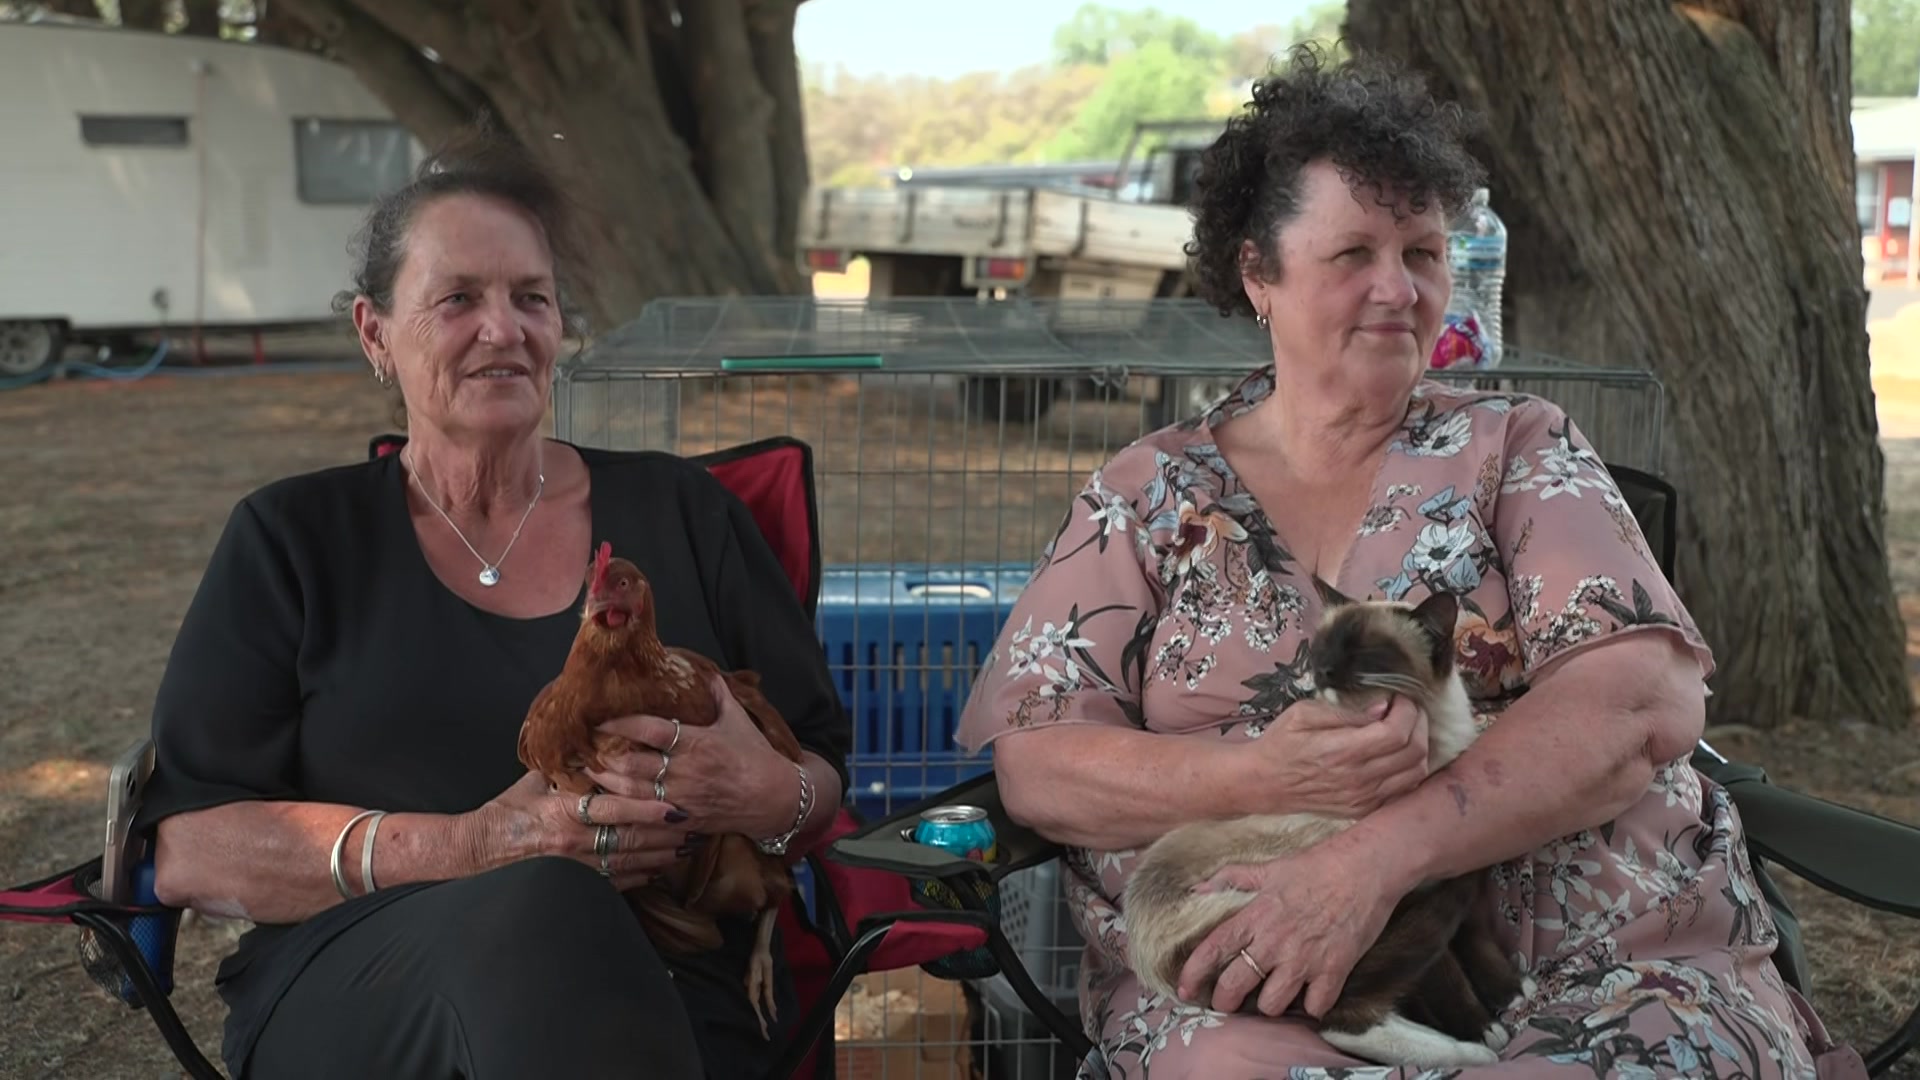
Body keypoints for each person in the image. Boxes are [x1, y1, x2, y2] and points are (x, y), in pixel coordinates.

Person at [955, 46, 1865, 1080]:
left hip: (1598, 962)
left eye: (1424, 253)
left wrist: (1372, 862)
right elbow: (1041, 764)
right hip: (1258, 978)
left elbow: (1638, 705)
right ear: (1258, 273)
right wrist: (1262, 776)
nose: (1398, 287)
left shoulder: (1518, 448)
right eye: (1354, 253)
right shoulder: (1149, 497)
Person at [132, 128, 851, 1080]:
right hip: (368, 978)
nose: (504, 329)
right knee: (548, 904)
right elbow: (191, 850)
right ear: (374, 334)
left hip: (677, 973)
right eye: (459, 298)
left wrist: (766, 793)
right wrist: (475, 845)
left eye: (532, 298)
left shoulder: (687, 512)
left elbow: (821, 776)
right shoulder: (292, 539)